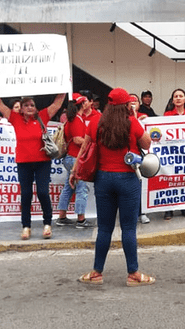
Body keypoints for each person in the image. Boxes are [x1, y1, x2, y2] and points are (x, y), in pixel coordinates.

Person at [72, 87, 155, 287]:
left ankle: (96, 273)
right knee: (128, 228)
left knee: (105, 228)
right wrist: (134, 116)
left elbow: (84, 148)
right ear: (127, 105)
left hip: (103, 179)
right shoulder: (131, 122)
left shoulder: (95, 122)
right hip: (127, 179)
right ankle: (133, 274)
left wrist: (75, 171)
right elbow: (146, 144)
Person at [0, 93, 67, 240]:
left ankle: (47, 224)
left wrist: (64, 87)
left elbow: (57, 104)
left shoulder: (42, 116)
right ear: (21, 108)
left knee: (43, 193)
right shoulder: (14, 118)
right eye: (26, 105)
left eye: (32, 105)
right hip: (23, 163)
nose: (29, 107)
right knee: (26, 195)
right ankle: (26, 226)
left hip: (42, 162)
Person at [55, 93, 93, 229]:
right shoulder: (77, 120)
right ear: (82, 104)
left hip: (70, 158)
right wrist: (92, 143)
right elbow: (77, 139)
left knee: (68, 187)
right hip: (76, 158)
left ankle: (62, 216)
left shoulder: (71, 120)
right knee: (81, 188)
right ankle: (81, 219)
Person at [162, 88, 185, 219]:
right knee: (171, 181)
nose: (178, 98)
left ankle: (184, 207)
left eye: (181, 96)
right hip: (172, 154)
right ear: (173, 100)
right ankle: (169, 209)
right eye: (176, 96)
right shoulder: (167, 116)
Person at [129, 93, 150, 224]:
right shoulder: (123, 119)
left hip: (141, 155)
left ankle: (142, 212)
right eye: (130, 101)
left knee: (141, 184)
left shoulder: (145, 118)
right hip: (127, 157)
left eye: (135, 101)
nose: (133, 103)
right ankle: (132, 213)